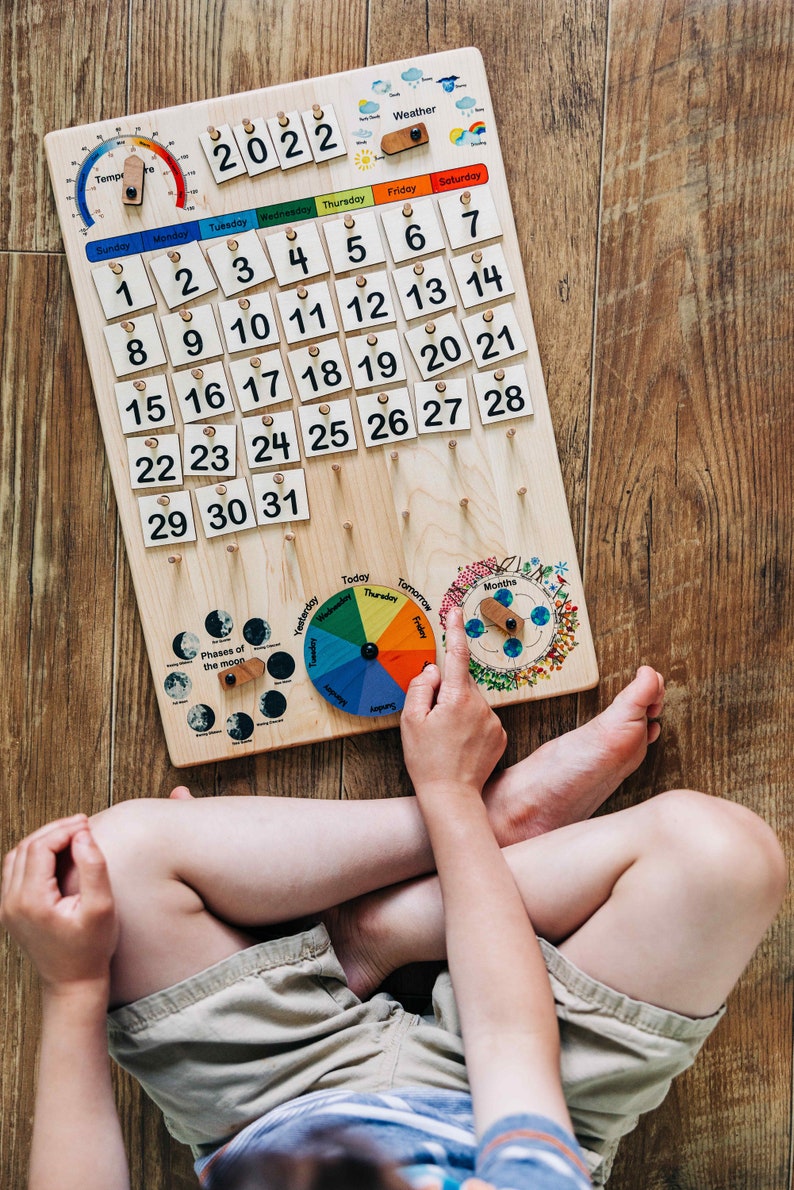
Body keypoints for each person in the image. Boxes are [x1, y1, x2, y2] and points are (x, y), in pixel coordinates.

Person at [0, 610, 785, 1190]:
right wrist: (450, 795)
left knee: (108, 863)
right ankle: (474, 840)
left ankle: (395, 909)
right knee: (722, 859)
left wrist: (73, 984)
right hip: (510, 1101)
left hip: (262, 1103)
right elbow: (511, 1039)